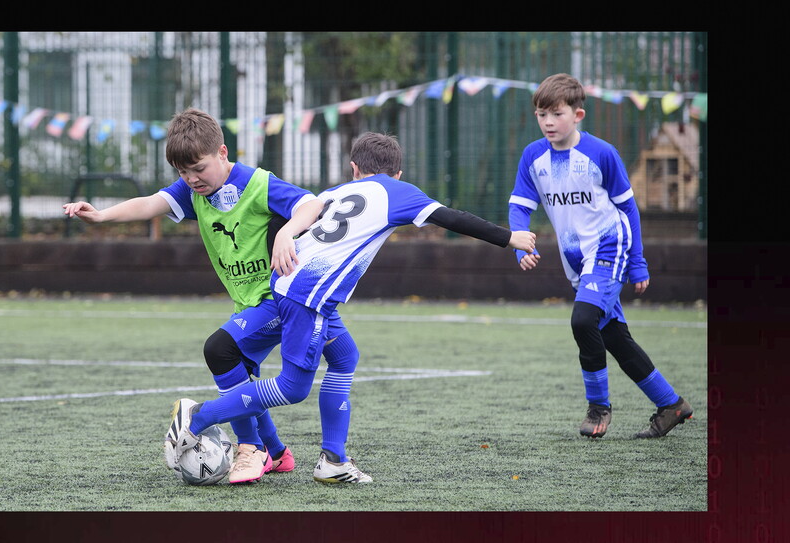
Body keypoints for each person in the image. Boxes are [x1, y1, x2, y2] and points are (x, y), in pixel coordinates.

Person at [165, 131, 537, 484]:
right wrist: (510, 238)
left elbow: (288, 219)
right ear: (398, 173)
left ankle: (333, 459)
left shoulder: (336, 192)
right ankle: (200, 418)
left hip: (295, 286)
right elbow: (452, 218)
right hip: (307, 294)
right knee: (293, 389)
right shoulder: (399, 191)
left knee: (345, 357)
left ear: (354, 169)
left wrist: (283, 238)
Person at [64, 108, 361, 484]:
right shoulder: (194, 191)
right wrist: (101, 216)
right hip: (250, 302)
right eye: (183, 173)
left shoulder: (256, 183)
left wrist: (287, 233)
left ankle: (250, 450)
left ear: (222, 153)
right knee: (247, 376)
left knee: (219, 350)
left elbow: (311, 204)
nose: (191, 179)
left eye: (199, 169)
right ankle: (280, 453)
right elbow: (151, 203)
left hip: (279, 297)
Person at [507, 73, 693, 440]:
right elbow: (519, 208)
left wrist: (637, 262)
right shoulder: (533, 157)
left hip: (610, 246)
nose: (547, 122)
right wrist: (521, 246)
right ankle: (671, 405)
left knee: (582, 321)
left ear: (577, 115)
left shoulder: (602, 154)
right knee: (614, 338)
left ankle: (599, 407)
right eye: (541, 114)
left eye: (556, 114)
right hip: (575, 259)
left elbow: (629, 210)